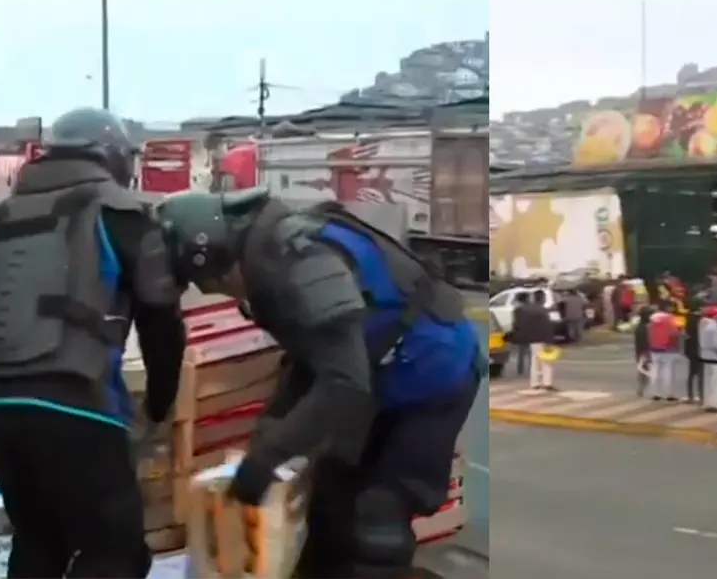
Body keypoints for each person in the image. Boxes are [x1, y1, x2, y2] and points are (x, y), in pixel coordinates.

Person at [154, 189, 481, 578]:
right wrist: (268, 436)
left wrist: (269, 455)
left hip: (431, 373)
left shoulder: (303, 264)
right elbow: (311, 359)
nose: (230, 295)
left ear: (221, 258)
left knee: (377, 518)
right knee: (327, 502)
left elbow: (344, 382)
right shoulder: (268, 260)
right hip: (373, 370)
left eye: (220, 286)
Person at [0, 108, 188, 578]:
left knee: (39, 541)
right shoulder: (119, 210)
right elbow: (161, 319)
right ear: (110, 155)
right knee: (113, 549)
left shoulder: (0, 218)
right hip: (75, 401)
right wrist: (162, 403)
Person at [510, 290, 556, 390]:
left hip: (531, 339)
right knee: (546, 361)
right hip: (543, 338)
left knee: (535, 361)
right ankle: (546, 383)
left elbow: (517, 325)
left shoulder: (521, 310)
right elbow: (547, 326)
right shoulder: (542, 310)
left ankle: (535, 383)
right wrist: (550, 340)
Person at [647, 301, 682, 401]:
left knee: (655, 371)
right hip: (668, 348)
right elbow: (674, 333)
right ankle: (669, 394)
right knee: (668, 372)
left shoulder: (652, 319)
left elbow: (649, 333)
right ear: (668, 308)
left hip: (655, 348)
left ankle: (655, 393)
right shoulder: (671, 318)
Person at [683, 301, 704, 403]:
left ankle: (690, 395)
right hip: (701, 348)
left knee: (691, 373)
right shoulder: (702, 320)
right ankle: (701, 395)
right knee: (701, 374)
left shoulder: (689, 318)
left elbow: (686, 335)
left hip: (691, 349)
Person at [510, 291, 533, 376]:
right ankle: (532, 368)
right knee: (531, 352)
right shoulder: (531, 308)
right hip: (531, 332)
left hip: (521, 333)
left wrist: (515, 332)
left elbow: (515, 323)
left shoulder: (517, 310)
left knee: (521, 352)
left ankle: (520, 370)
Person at [632, 305, 653, 397]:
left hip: (640, 352)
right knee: (646, 372)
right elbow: (647, 341)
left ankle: (641, 389)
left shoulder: (639, 326)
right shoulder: (646, 327)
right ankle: (641, 390)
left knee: (643, 372)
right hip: (645, 352)